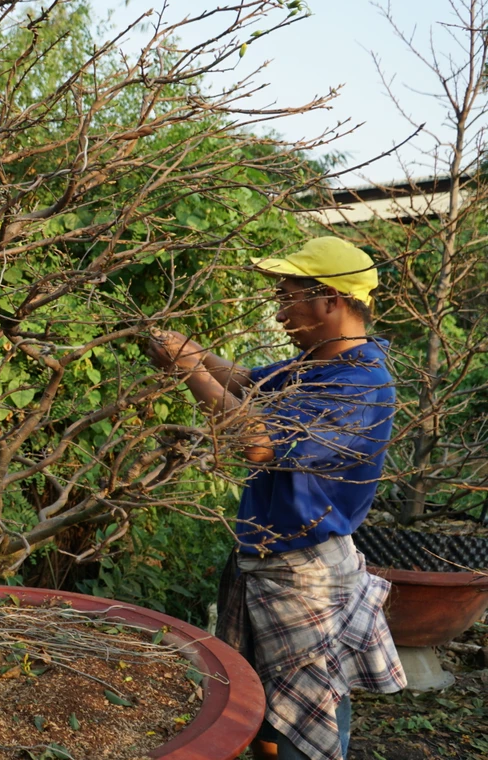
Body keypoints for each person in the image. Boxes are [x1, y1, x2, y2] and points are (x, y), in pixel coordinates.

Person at [143, 236, 405, 760]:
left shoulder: (358, 384)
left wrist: (190, 370)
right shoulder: (317, 363)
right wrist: (193, 355)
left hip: (303, 574)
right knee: (262, 710)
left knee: (306, 728)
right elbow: (247, 385)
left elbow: (259, 441)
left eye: (287, 295)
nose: (279, 309)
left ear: (330, 299)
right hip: (269, 562)